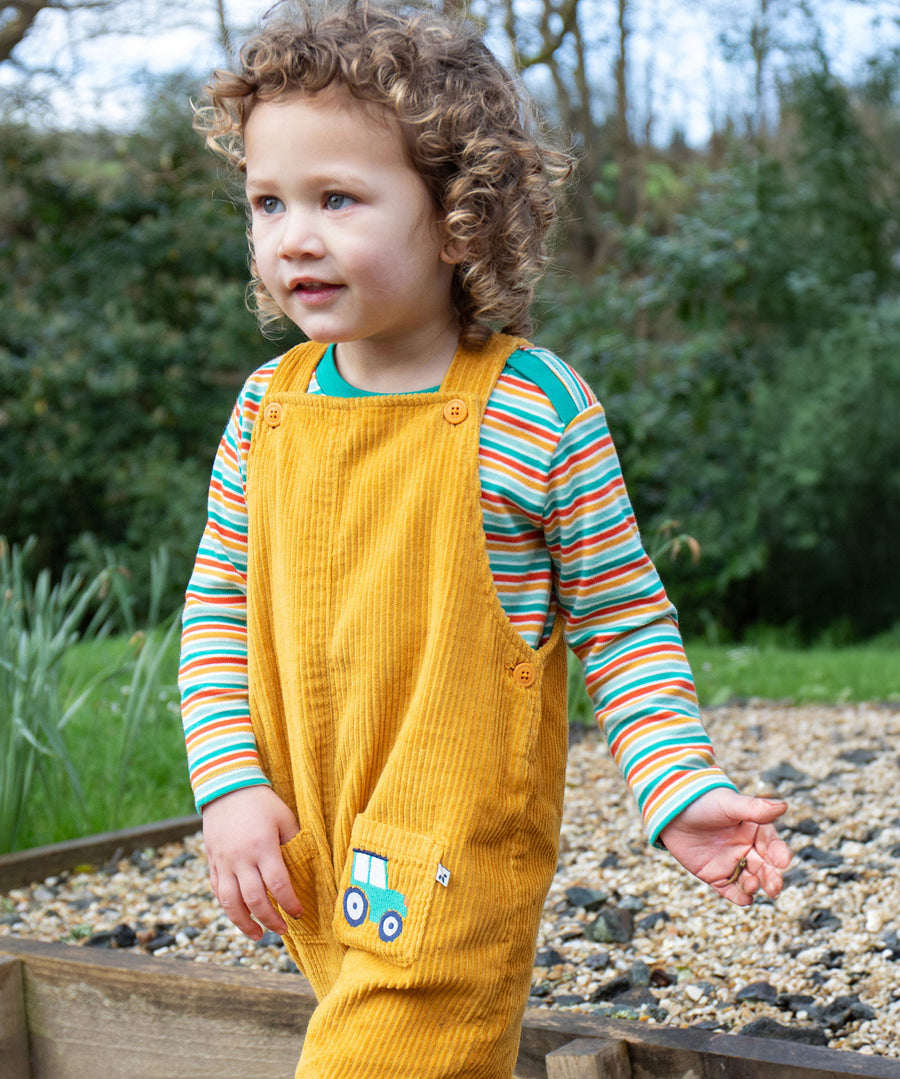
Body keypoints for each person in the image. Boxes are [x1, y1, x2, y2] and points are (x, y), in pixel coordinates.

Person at [179, 3, 792, 1075]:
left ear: (458, 218)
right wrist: (229, 783)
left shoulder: (533, 411)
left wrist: (677, 784)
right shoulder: (263, 407)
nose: (293, 236)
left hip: (455, 862)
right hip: (308, 851)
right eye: (267, 201)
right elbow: (216, 608)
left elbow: (624, 619)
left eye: (337, 197)